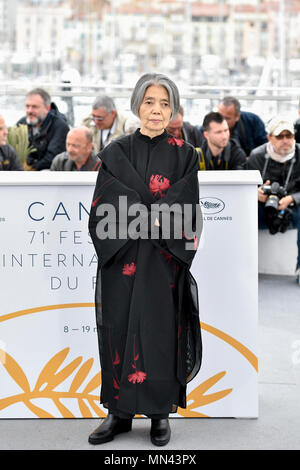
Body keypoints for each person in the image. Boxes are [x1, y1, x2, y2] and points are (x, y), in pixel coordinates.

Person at [88, 73, 202, 446]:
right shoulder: (115, 153)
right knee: (118, 328)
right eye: (150, 101)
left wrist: (148, 216)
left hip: (163, 261)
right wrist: (149, 214)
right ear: (137, 104)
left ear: (173, 109)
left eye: (165, 103)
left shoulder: (186, 155)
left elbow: (187, 208)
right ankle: (118, 413)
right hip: (122, 258)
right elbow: (102, 206)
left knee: (160, 332)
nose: (156, 110)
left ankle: (159, 414)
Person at [246, 115, 300, 283]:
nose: (285, 140)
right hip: (263, 209)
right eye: (279, 136)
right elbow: (245, 187)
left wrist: (292, 198)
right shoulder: (257, 156)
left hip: (292, 208)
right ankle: (246, 266)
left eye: (289, 136)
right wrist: (255, 193)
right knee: (244, 215)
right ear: (269, 137)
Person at [17, 88, 70, 170]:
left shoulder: (60, 126)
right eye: (27, 106)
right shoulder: (22, 123)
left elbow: (52, 157)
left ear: (47, 108)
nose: (29, 111)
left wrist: (31, 168)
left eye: (34, 107)